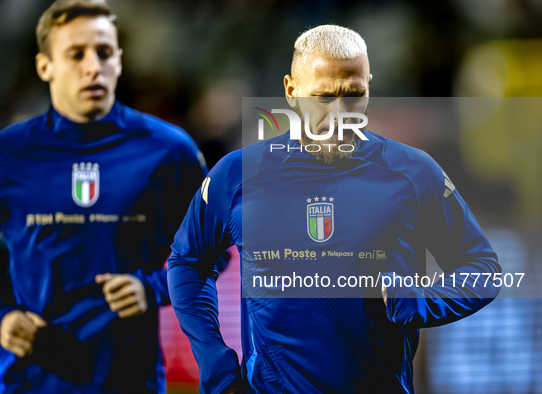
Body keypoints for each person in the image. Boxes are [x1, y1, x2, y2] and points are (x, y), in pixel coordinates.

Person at [168, 25, 502, 393]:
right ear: (291, 91)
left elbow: (483, 269)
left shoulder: (414, 172)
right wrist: (216, 363)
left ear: (369, 86)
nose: (341, 114)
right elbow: (188, 263)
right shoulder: (237, 174)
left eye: (354, 94)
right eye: (324, 97)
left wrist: (422, 300)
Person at [0, 0, 207, 392]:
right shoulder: (1, 155)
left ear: (119, 61)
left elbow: (212, 247)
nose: (93, 67)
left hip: (128, 381)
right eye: (76, 54)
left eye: (104, 52)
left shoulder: (171, 152)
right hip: (28, 380)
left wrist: (154, 287)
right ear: (45, 66)